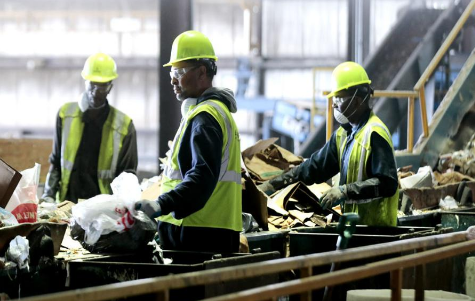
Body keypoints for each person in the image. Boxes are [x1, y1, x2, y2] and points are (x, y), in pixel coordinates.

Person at [135, 31, 243, 253]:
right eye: (172, 72)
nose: (173, 79)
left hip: (196, 233)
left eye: (180, 72)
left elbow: (202, 176)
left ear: (202, 72)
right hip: (212, 230)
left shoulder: (205, 117)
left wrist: (161, 203)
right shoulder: (217, 112)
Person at [258, 61, 399, 226]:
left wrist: (345, 191)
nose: (334, 104)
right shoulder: (343, 135)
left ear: (356, 101)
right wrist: (273, 184)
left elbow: (388, 184)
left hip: (378, 232)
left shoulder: (375, 133)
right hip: (355, 229)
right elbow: (314, 167)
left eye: (339, 98)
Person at [41, 53, 138, 203]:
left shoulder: (123, 126)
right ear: (85, 81)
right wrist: (48, 196)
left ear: (110, 87)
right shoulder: (65, 115)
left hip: (103, 210)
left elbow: (128, 176)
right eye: (92, 84)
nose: (95, 91)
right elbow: (56, 163)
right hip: (68, 205)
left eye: (102, 86)